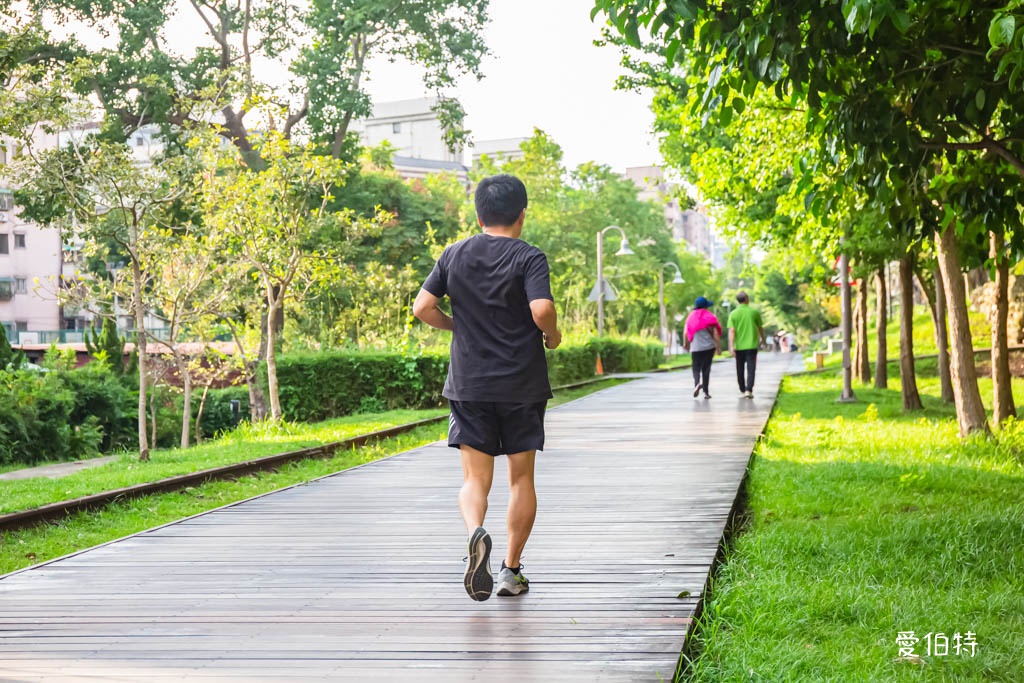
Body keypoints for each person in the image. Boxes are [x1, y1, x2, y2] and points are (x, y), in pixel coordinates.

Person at [412, 174, 561, 603]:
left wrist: (458, 326)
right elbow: (542, 308)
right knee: (521, 478)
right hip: (521, 384)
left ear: (479, 215)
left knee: (475, 478)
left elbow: (423, 307)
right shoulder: (529, 257)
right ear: (522, 214)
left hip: (469, 381)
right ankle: (511, 571)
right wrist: (552, 335)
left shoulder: (454, 254)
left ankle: (475, 533)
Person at [727, 291, 764, 399]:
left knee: (740, 368)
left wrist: (731, 346)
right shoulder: (754, 312)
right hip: (752, 345)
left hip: (739, 347)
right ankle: (749, 390)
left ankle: (742, 389)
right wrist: (762, 339)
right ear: (747, 299)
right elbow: (760, 327)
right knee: (751, 368)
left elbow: (732, 330)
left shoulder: (733, 314)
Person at [683, 296, 722, 399]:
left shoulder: (691, 317)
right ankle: (706, 392)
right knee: (706, 369)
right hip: (709, 348)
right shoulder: (710, 317)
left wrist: (685, 344)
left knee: (696, 368)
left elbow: (686, 332)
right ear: (706, 306)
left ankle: (697, 384)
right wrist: (718, 348)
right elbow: (715, 334)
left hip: (695, 348)